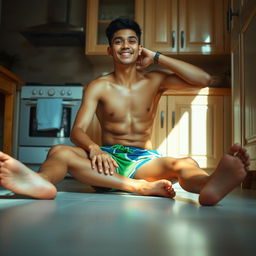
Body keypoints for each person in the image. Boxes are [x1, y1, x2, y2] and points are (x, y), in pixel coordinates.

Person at [0, 18, 250, 206]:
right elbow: (77, 131)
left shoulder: (155, 80)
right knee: (59, 152)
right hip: (105, 163)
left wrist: (157, 56)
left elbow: (204, 79)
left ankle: (209, 186)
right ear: (110, 50)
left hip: (144, 161)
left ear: (140, 47)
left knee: (184, 163)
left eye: (132, 40)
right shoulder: (98, 86)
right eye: (118, 41)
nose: (125, 46)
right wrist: (94, 149)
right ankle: (41, 181)